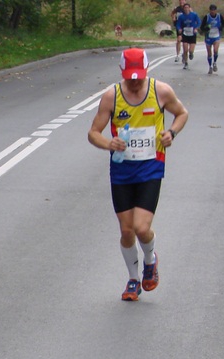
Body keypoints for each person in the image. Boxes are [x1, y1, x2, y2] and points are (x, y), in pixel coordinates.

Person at [87, 49, 189, 301]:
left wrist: (171, 133)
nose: (135, 81)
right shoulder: (112, 96)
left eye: (139, 77)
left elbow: (182, 113)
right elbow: (93, 133)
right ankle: (133, 280)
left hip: (151, 166)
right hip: (121, 170)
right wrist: (107, 143)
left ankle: (151, 260)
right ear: (122, 73)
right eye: (130, 77)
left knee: (142, 228)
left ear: (146, 71)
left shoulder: (160, 91)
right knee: (126, 231)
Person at [177, 3, 202, 68]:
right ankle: (186, 63)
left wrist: (196, 28)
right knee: (185, 50)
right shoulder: (181, 16)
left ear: (189, 8)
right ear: (183, 9)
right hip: (185, 34)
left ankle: (191, 53)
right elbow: (178, 24)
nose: (186, 9)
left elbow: (199, 22)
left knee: (190, 50)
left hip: (192, 33)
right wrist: (179, 29)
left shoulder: (194, 15)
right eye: (185, 8)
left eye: (187, 7)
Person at [201, 4, 224, 72]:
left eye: (214, 10)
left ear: (216, 10)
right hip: (208, 36)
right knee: (209, 53)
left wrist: (220, 27)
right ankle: (210, 66)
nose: (212, 12)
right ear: (210, 10)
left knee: (215, 50)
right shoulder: (207, 17)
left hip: (216, 36)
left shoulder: (219, 16)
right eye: (211, 10)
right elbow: (202, 27)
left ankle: (214, 62)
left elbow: (223, 24)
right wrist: (206, 28)